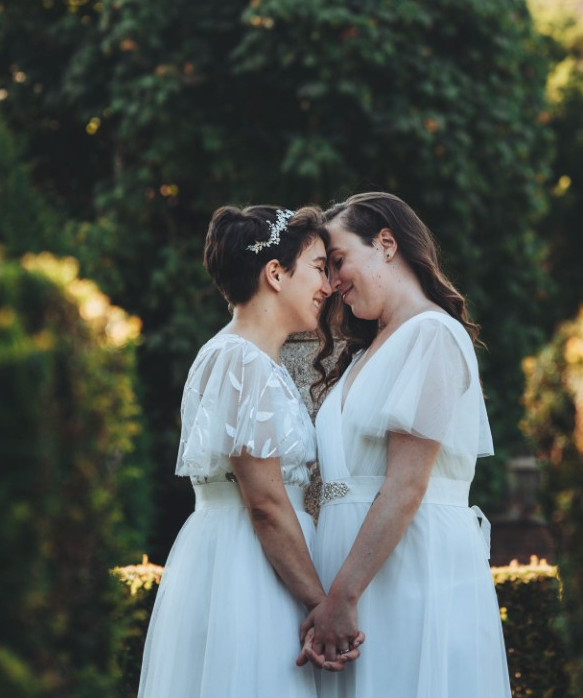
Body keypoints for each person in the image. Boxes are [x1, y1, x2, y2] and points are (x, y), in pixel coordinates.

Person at [138, 204, 362, 698]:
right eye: (319, 268)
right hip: (250, 568)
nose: (328, 285)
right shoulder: (241, 359)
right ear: (275, 274)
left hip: (256, 561)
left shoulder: (251, 357)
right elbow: (264, 503)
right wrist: (320, 605)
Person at [298, 192, 512, 697]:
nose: (331, 283)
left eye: (339, 261)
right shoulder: (365, 352)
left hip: (408, 569)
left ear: (386, 244)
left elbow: (406, 485)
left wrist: (343, 597)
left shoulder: (432, 334)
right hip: (352, 574)